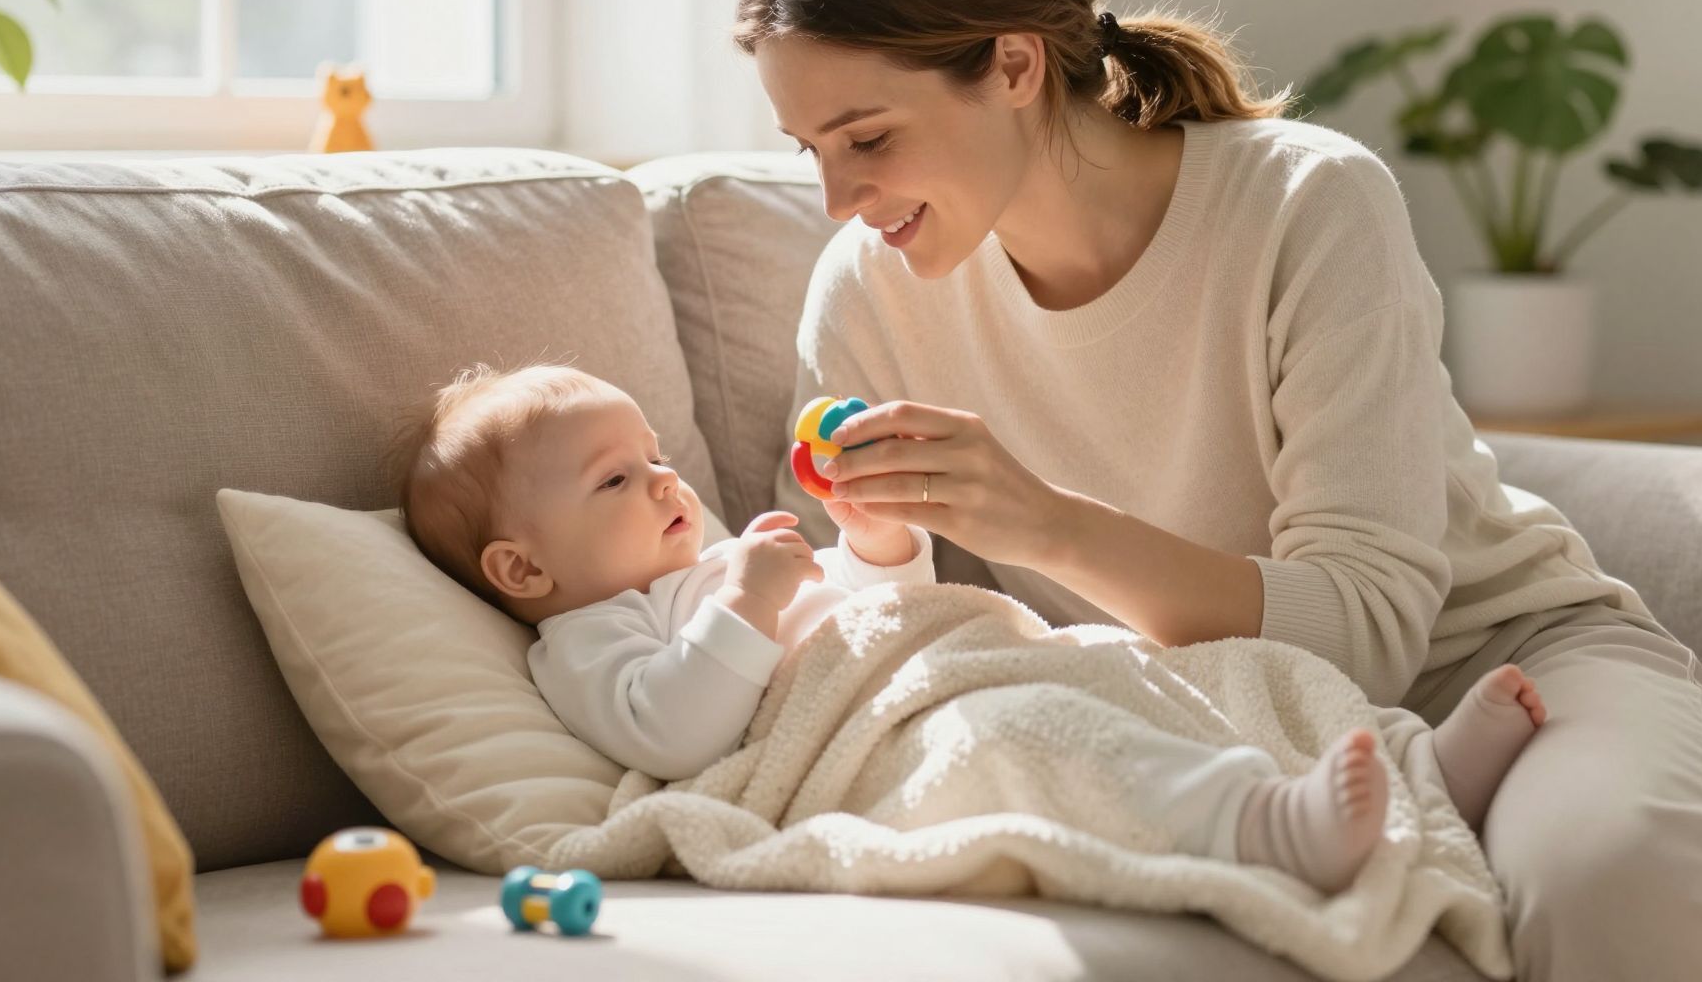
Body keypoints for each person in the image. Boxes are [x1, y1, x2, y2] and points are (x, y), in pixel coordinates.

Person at [738, 0, 1702, 980]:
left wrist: (1045, 524)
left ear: (1012, 64)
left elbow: (1365, 631)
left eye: (866, 139)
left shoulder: (1304, 203)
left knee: (1604, 878)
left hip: (1493, 668)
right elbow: (856, 660)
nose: (839, 199)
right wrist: (879, 549)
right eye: (810, 150)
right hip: (1226, 741)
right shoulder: (865, 291)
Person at [394, 362, 1547, 894]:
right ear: (520, 566)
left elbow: (869, 600)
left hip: (949, 649)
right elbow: (675, 735)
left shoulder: (709, 564)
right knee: (1037, 732)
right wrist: (746, 602)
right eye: (613, 481)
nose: (660, 483)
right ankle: (1261, 824)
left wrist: (872, 538)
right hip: (886, 729)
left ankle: (1417, 772)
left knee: (1179, 670)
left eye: (653, 457)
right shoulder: (588, 643)